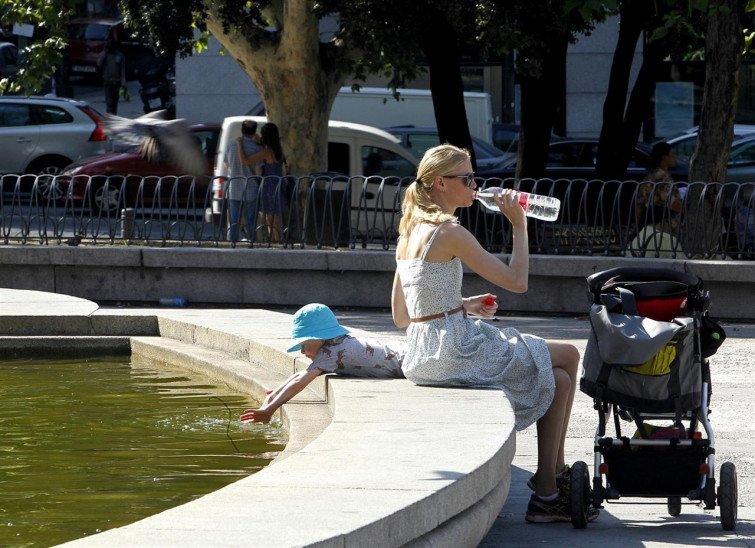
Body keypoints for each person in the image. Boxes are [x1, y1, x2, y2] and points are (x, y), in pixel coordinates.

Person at [390, 144, 589, 524]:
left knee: (560, 379)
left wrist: (460, 304)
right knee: (570, 355)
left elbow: (403, 316)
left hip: (421, 355)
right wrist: (519, 223)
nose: (475, 186)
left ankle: (550, 487)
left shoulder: (408, 231)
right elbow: (517, 281)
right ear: (439, 184)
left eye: (473, 178)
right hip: (454, 349)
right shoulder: (449, 231)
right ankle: (553, 487)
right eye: (467, 179)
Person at [240, 303, 403, 424]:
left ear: (320, 339)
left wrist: (269, 410)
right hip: (401, 353)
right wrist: (274, 395)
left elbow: (299, 381)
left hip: (405, 362)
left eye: (304, 345)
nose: (302, 352)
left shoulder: (331, 352)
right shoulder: (336, 344)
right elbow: (299, 375)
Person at [631, 142, 683, 258]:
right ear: (664, 157)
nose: (674, 156)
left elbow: (639, 207)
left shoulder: (648, 177)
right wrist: (685, 207)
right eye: (672, 153)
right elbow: (671, 202)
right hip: (664, 225)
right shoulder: (663, 178)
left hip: (648, 225)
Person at [238, 122, 288, 242]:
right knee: (273, 217)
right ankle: (276, 241)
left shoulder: (267, 153)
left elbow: (244, 160)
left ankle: (277, 242)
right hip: (277, 184)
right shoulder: (278, 150)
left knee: (270, 218)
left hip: (268, 186)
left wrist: (239, 143)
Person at [224, 120, 262, 242]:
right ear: (254, 132)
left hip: (234, 188)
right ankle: (252, 243)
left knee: (233, 221)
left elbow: (226, 164)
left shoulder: (231, 145)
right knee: (251, 221)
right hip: (251, 189)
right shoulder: (256, 148)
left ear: (241, 131)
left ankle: (232, 243)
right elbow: (258, 172)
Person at [96, 37, 126, 115]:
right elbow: (99, 64)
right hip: (108, 82)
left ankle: (113, 116)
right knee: (109, 102)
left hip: (117, 82)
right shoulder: (105, 55)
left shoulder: (119, 55)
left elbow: (122, 70)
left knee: (115, 102)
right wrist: (105, 51)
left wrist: (123, 83)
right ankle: (109, 117)